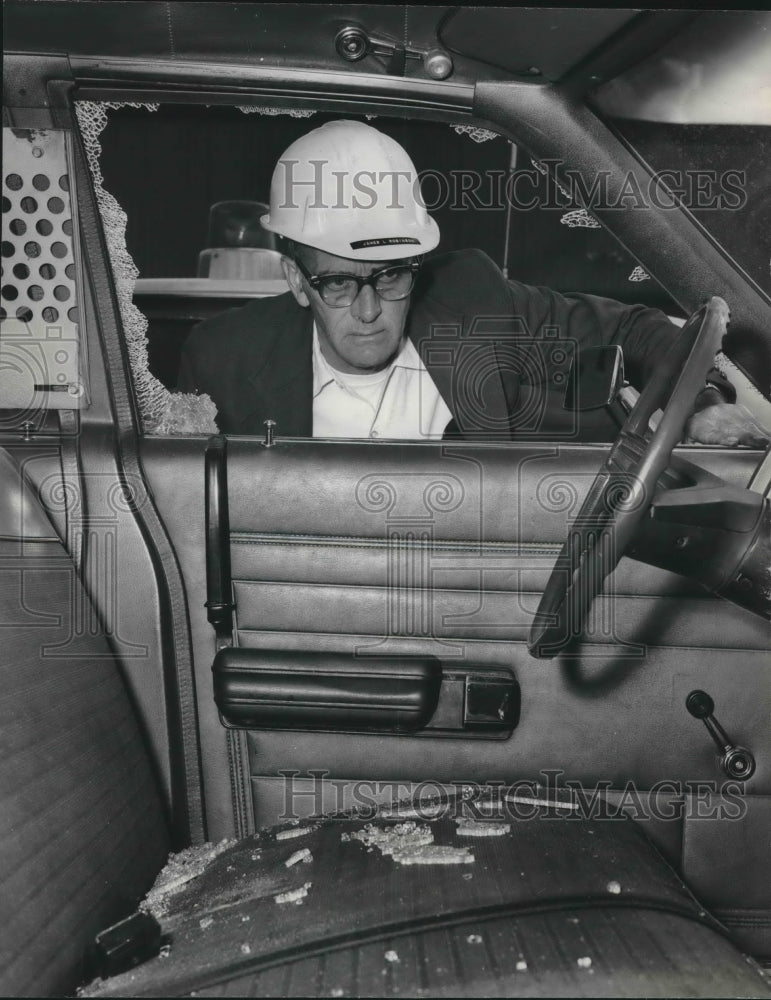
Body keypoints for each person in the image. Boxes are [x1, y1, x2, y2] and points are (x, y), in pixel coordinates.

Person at [179, 119, 766, 445]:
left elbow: (638, 330)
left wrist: (701, 405)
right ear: (296, 280)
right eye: (336, 283)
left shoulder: (472, 299)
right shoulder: (223, 359)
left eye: (389, 278)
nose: (367, 311)